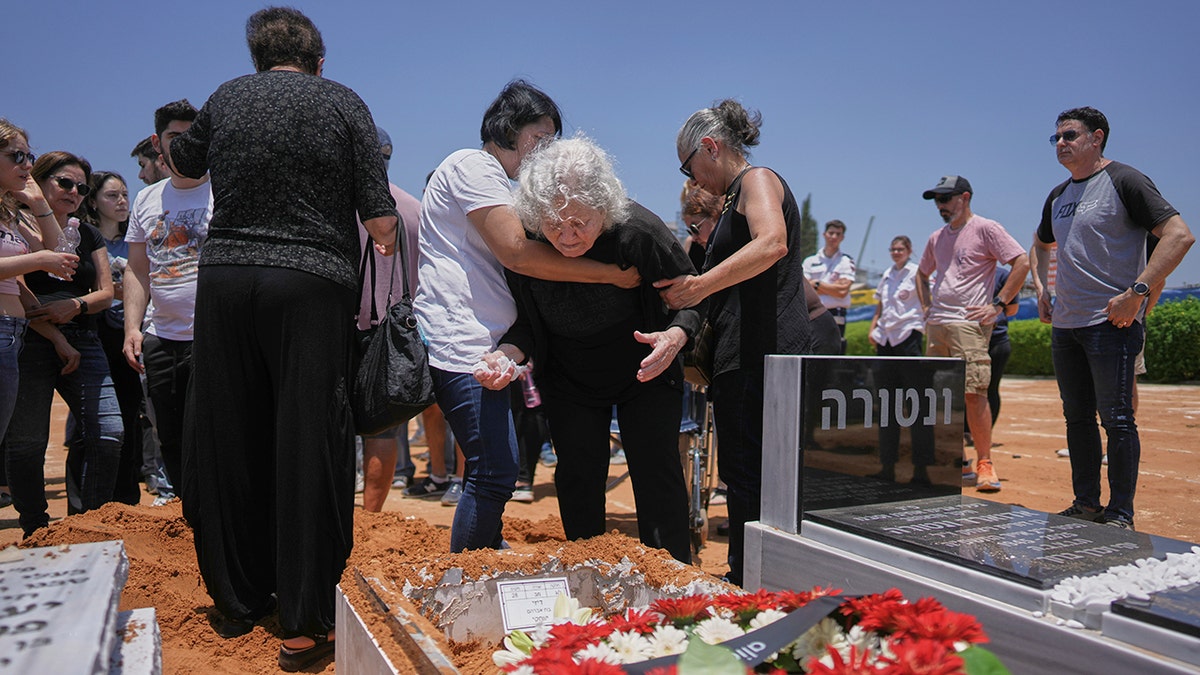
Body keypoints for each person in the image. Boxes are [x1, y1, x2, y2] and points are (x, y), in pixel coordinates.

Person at [166, 8, 398, 670]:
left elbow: (182, 159)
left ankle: (239, 596)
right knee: (306, 437)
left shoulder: (227, 97)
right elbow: (380, 222)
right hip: (311, 283)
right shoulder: (345, 103)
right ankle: (302, 624)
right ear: (319, 61)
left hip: (227, 279)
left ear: (259, 57)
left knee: (230, 428)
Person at [414, 80, 637, 555]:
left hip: (494, 345)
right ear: (506, 128)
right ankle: (463, 583)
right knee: (496, 469)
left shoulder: (495, 179)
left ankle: (487, 550)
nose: (546, 151)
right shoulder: (472, 165)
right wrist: (608, 275)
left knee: (489, 466)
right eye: (540, 138)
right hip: (464, 341)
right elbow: (517, 253)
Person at [477, 136, 696, 563]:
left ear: (605, 209)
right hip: (569, 376)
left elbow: (692, 298)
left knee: (657, 474)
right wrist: (505, 354)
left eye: (580, 222)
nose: (567, 237)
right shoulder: (528, 242)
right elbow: (526, 322)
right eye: (554, 224)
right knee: (577, 475)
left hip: (645, 369)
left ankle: (674, 580)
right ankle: (586, 573)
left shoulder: (640, 231)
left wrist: (675, 337)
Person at [657, 99, 813, 586]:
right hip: (745, 357)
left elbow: (772, 242)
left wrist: (701, 285)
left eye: (689, 166)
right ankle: (755, 577)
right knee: (749, 479)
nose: (692, 178)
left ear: (710, 146)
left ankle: (753, 584)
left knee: (755, 480)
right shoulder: (730, 200)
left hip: (760, 356)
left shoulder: (756, 180)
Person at [1030, 107, 1193, 530]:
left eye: (1069, 135)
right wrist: (1041, 290)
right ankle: (1086, 504)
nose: (1061, 143)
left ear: (1096, 137)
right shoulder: (1058, 195)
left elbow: (1179, 235)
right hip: (1066, 326)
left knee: (1117, 420)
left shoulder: (1125, 180)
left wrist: (1137, 294)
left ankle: (1120, 513)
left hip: (1110, 324)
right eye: (1056, 138)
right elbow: (1039, 243)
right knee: (1077, 418)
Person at [5, 151, 121, 536]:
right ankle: (36, 528)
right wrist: (55, 334)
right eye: (65, 183)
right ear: (40, 180)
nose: (75, 192)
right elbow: (16, 288)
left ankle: (88, 525)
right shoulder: (15, 225)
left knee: (108, 432)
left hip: (85, 338)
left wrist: (75, 304)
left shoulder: (88, 233)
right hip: (31, 341)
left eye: (82, 187)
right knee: (27, 443)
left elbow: (106, 292)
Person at [122, 99, 212, 506]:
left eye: (192, 135)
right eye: (175, 136)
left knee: (213, 432)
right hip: (160, 337)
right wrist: (132, 329)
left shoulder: (224, 191)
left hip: (213, 336)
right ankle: (191, 511)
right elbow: (138, 270)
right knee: (169, 435)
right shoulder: (146, 200)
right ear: (158, 144)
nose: (184, 144)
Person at [917, 175, 1028, 494]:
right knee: (940, 398)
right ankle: (959, 461)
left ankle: (985, 463)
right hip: (937, 325)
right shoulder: (936, 237)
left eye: (946, 199)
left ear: (964, 197)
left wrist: (999, 304)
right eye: (937, 200)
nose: (940, 206)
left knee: (974, 393)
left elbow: (1021, 262)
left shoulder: (986, 229)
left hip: (969, 325)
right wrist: (927, 308)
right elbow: (921, 274)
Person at [0, 120, 78, 511]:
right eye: (16, 156)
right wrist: (42, 258)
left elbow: (57, 252)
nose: (27, 165)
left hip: (13, 331)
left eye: (29, 156)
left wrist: (40, 204)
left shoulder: (10, 212)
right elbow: (46, 258)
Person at [358, 126, 422, 513]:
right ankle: (371, 517)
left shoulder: (342, 201)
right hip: (396, 333)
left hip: (345, 328)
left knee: (332, 427)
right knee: (383, 426)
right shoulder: (413, 207)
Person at [81, 170, 143, 505]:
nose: (121, 202)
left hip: (130, 335)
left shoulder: (134, 239)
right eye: (111, 196)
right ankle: (87, 507)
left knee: (130, 419)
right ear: (93, 201)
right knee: (93, 423)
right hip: (95, 335)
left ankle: (128, 501)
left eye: (124, 195)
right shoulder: (86, 238)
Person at [802, 219, 856, 353]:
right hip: (812, 313)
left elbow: (842, 291)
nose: (834, 237)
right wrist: (832, 287)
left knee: (833, 352)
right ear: (824, 234)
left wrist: (816, 284)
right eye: (831, 233)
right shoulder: (810, 261)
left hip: (836, 313)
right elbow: (804, 289)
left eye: (838, 234)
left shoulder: (846, 261)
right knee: (811, 350)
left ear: (842, 237)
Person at [870, 236, 925, 357]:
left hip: (908, 330)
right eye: (893, 249)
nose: (896, 253)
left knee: (910, 373)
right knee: (884, 374)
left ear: (909, 251)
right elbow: (880, 304)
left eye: (900, 249)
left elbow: (926, 299)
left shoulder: (916, 272)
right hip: (885, 334)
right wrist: (872, 329)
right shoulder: (887, 274)